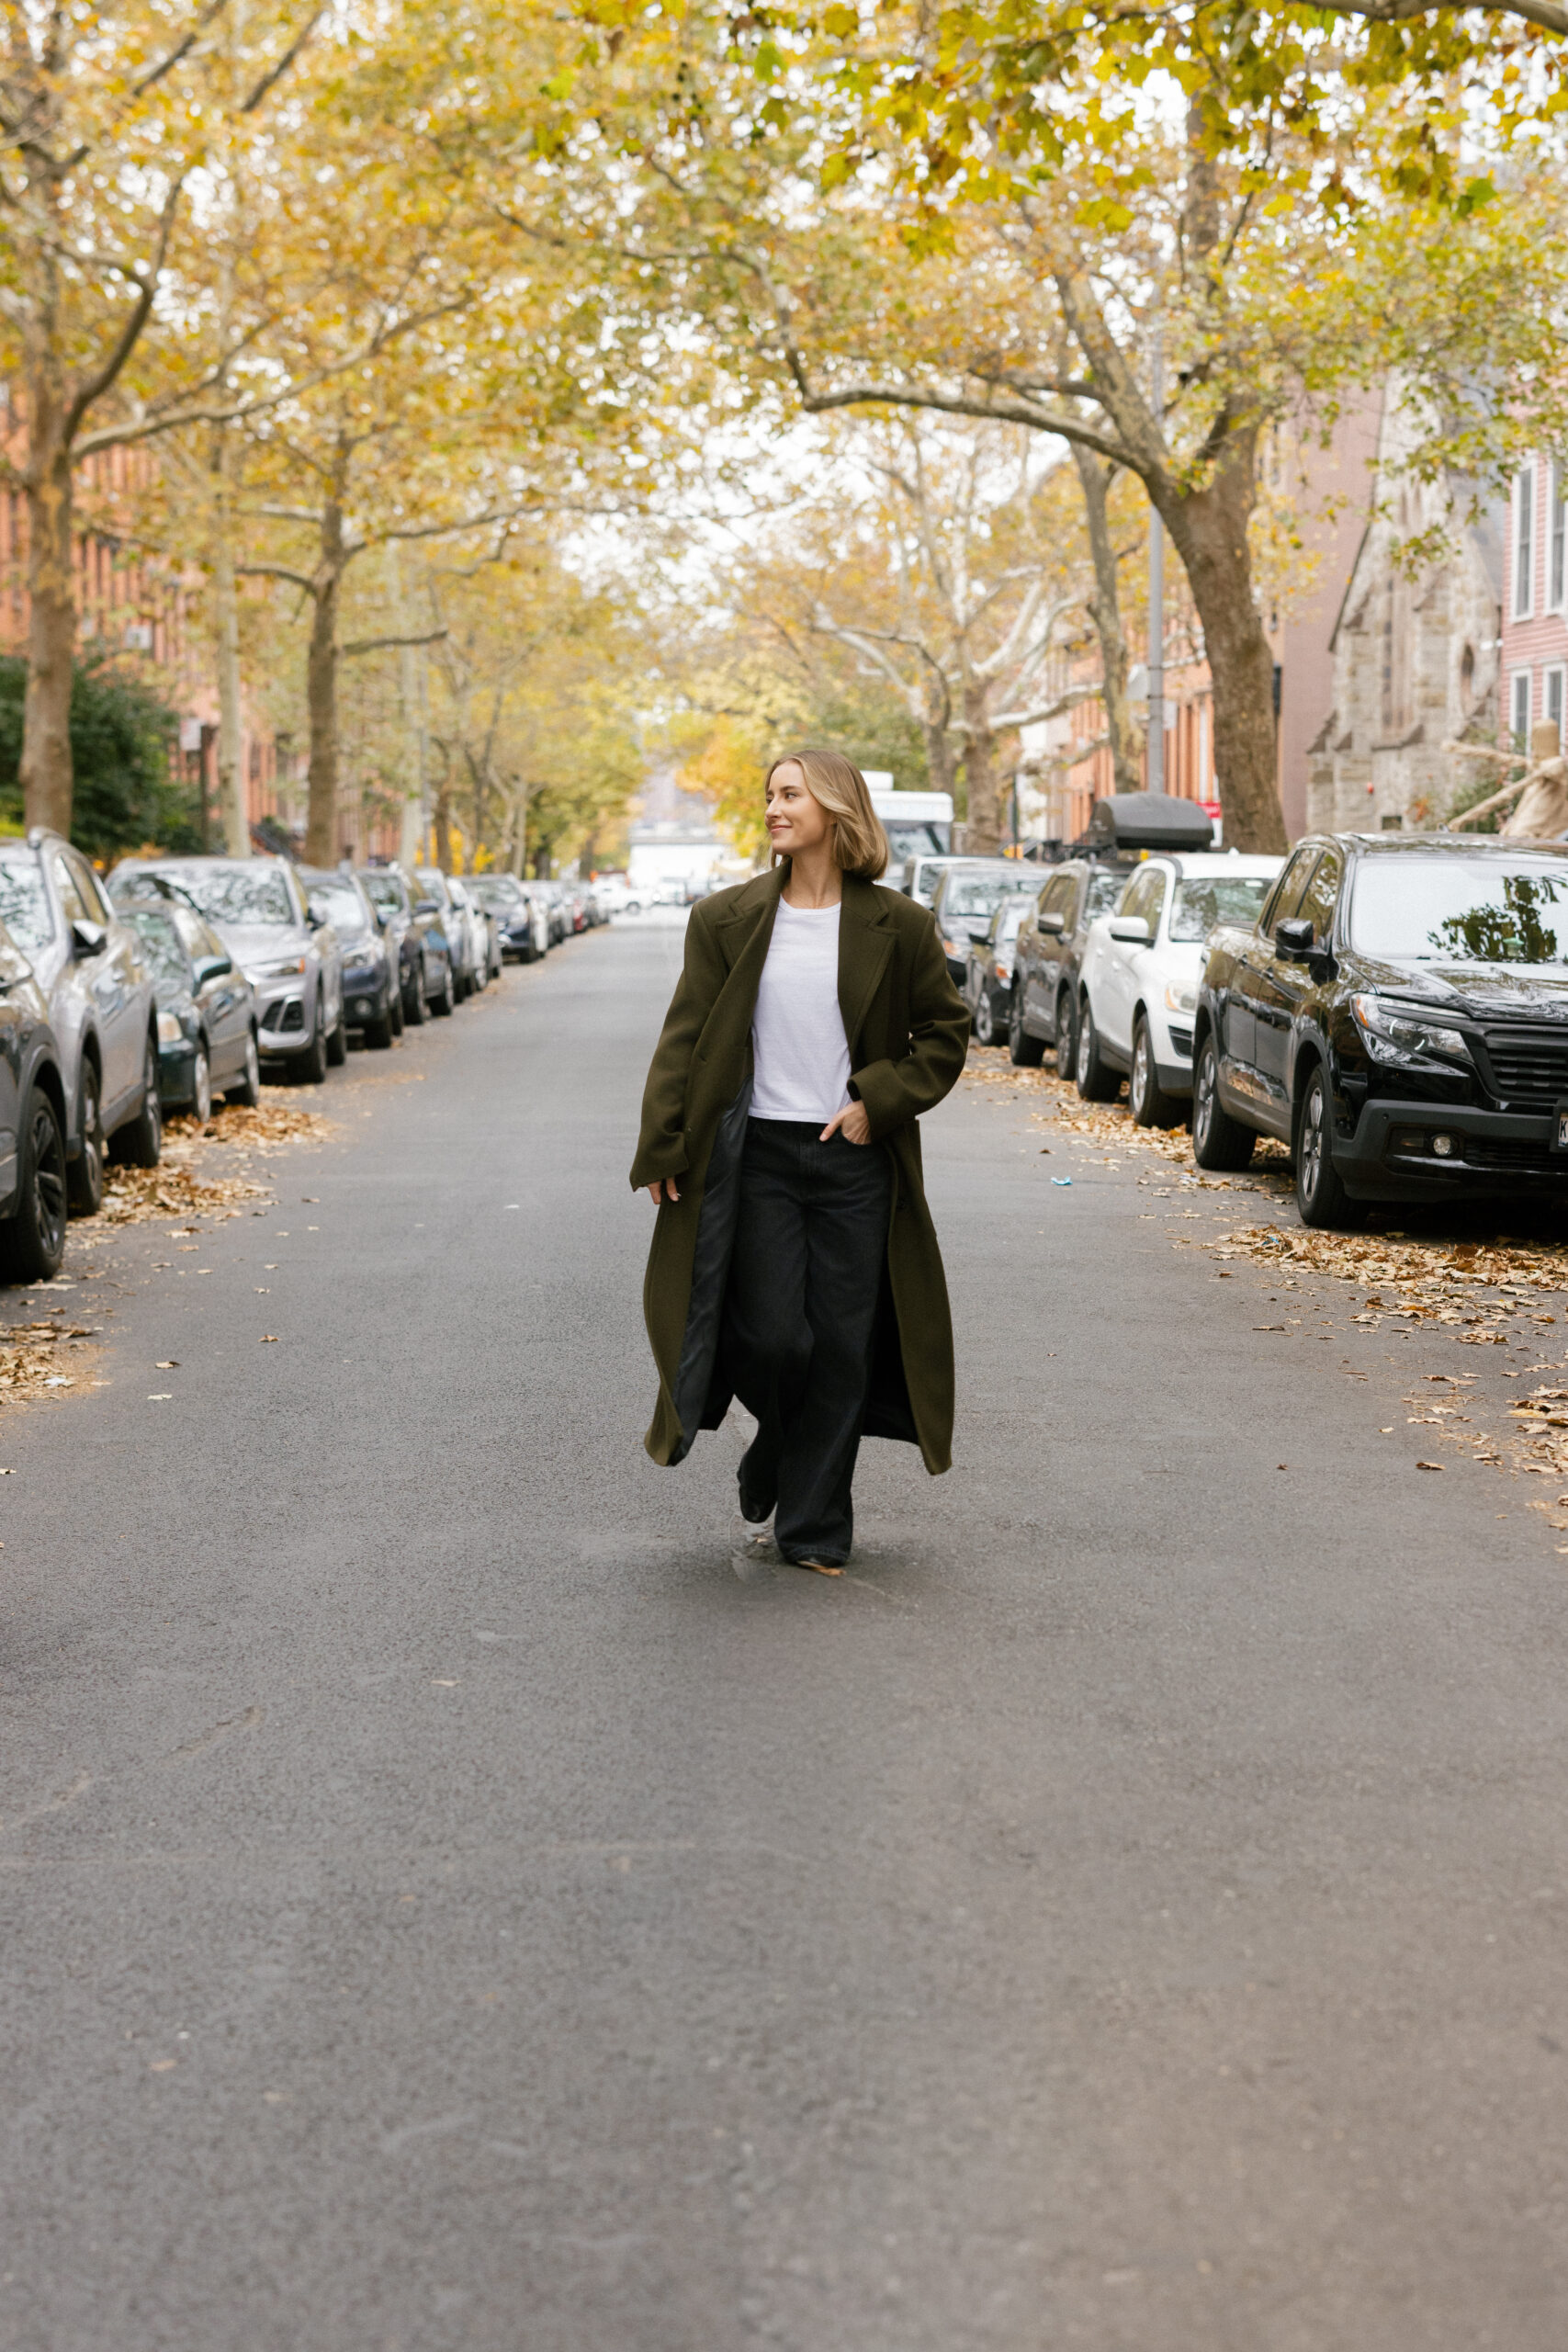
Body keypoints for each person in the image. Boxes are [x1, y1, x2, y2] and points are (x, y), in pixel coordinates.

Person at [629, 749, 970, 1573]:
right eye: (769, 795)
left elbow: (944, 1032)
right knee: (775, 1337)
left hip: (854, 1158)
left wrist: (877, 1101)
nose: (773, 808)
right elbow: (684, 1037)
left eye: (790, 794)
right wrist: (664, 1144)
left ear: (834, 808)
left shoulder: (899, 923)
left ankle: (814, 1526)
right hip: (756, 1157)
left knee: (843, 1346)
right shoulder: (725, 918)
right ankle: (778, 1444)